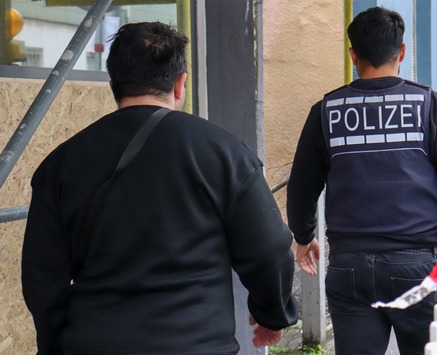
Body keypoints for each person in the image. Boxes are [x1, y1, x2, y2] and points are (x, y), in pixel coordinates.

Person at [22, 21, 298, 354]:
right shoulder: (222, 153)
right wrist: (272, 314)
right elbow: (268, 250)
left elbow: (42, 278)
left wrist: (55, 344)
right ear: (181, 84)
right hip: (196, 345)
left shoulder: (61, 164)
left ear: (114, 84)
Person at [287, 7, 437, 355]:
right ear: (402, 52)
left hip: (349, 267)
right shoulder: (430, 105)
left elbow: (302, 187)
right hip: (417, 265)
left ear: (353, 54)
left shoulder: (326, 110)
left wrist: (305, 237)